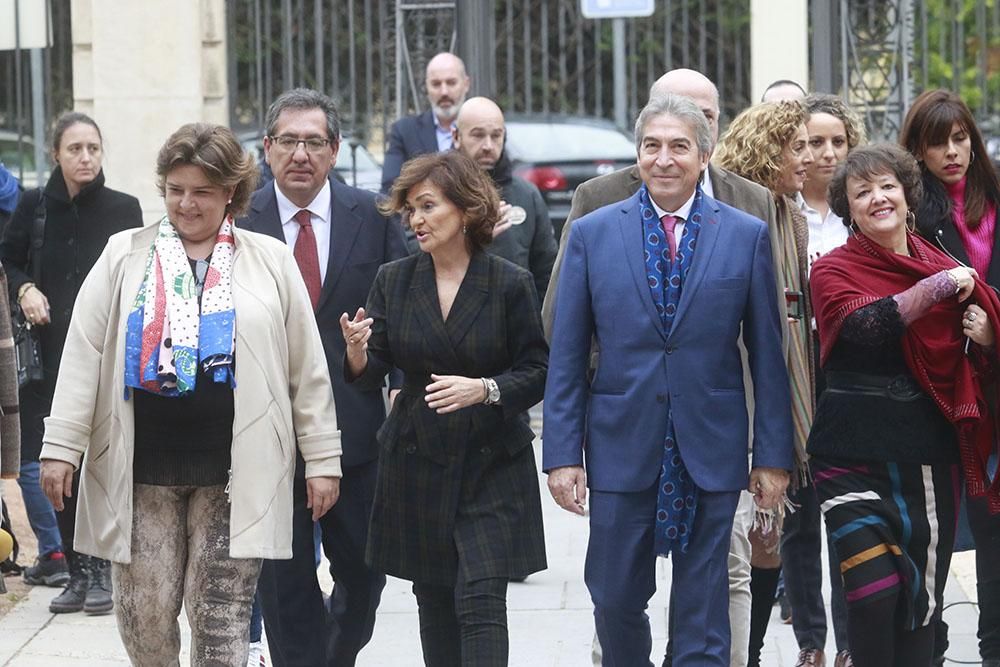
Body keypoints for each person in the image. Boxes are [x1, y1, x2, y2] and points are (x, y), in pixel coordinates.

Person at [38, 122, 343, 666]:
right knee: (147, 631)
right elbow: (83, 351)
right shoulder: (123, 255)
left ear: (231, 192)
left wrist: (322, 458)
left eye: (202, 191)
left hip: (233, 475)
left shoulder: (269, 260)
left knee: (220, 632)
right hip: (141, 475)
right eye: (176, 189)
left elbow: (307, 368)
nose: (186, 203)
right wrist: (62, 446)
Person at [543, 67, 781, 667]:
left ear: (705, 155)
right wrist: (563, 452)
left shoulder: (747, 234)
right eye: (652, 146)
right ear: (638, 153)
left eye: (679, 146)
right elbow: (568, 353)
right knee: (614, 596)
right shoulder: (594, 233)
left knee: (704, 615)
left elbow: (769, 354)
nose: (664, 159)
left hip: (712, 443)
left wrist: (773, 458)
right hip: (624, 442)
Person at [343, 150, 548, 665]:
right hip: (418, 460)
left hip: (490, 461)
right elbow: (372, 373)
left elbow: (538, 370)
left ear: (464, 209)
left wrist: (485, 389)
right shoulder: (395, 279)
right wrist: (358, 352)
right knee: (433, 598)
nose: (416, 220)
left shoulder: (507, 283)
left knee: (481, 597)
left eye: (428, 206)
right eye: (411, 209)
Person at [809, 143, 1000, 666]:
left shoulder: (945, 264)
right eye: (862, 192)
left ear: (907, 193)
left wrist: (985, 339)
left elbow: (975, 358)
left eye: (887, 185)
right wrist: (941, 286)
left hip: (928, 458)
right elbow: (866, 327)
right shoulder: (832, 270)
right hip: (849, 455)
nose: (877, 198)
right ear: (848, 210)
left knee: (921, 604)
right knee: (873, 596)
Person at [237, 87, 406, 667]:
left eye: (314, 142)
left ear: (335, 151)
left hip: (354, 429)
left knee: (363, 573)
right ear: (267, 148)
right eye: (288, 141)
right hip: (265, 433)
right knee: (283, 585)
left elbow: (397, 314)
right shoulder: (241, 221)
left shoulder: (374, 217)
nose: (300, 154)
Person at [1, 112, 142, 613]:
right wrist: (24, 287)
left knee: (101, 463)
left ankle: (102, 570)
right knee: (53, 464)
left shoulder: (125, 209)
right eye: (75, 149)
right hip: (48, 357)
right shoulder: (34, 206)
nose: (85, 158)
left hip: (105, 357)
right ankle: (76, 572)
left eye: (93, 148)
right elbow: (9, 258)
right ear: (55, 154)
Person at [714, 100, 816, 666]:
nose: (807, 157)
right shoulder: (736, 209)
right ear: (765, 148)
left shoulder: (792, 216)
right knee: (738, 538)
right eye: (795, 146)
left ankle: (747, 652)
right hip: (739, 379)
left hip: (784, 376)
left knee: (769, 534)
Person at [901, 88, 1000, 667]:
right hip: (941, 388)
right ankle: (930, 645)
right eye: (937, 143)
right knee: (940, 521)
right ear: (918, 150)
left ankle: (992, 647)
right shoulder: (917, 217)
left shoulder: (995, 199)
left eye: (959, 138)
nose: (952, 152)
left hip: (995, 384)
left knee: (991, 519)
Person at [778, 92, 867, 667]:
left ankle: (852, 644)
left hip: (851, 380)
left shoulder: (861, 210)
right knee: (799, 518)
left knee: (850, 520)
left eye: (837, 141)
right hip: (796, 381)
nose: (825, 153)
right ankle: (811, 642)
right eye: (812, 142)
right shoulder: (780, 210)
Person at [452, 96, 557, 300]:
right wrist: (468, 235)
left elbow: (548, 269)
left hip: (515, 321)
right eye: (478, 135)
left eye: (496, 135)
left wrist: (538, 323)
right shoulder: (438, 192)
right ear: (456, 136)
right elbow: (414, 252)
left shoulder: (526, 194)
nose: (488, 145)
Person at [381, 52, 471, 194]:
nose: (444, 92)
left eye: (451, 83)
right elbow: (390, 189)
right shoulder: (404, 131)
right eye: (436, 84)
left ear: (466, 84)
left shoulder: (482, 132)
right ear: (427, 88)